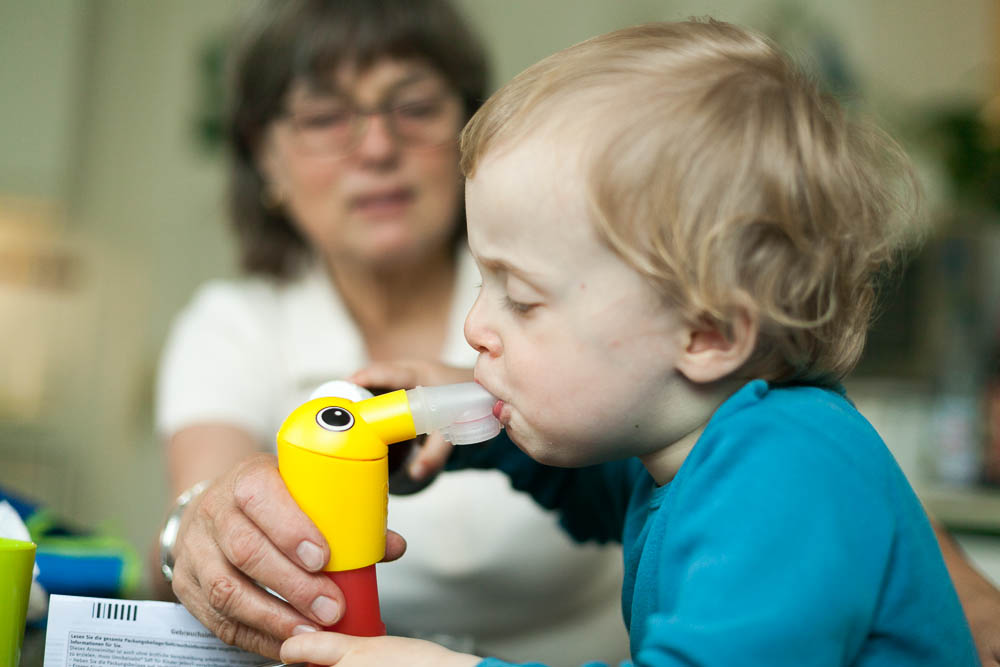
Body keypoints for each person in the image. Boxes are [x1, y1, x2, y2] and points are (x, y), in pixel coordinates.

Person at [278, 19, 981, 666]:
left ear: (708, 332)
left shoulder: (787, 477)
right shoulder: (688, 441)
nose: (474, 328)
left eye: (521, 298)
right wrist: (454, 421)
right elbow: (588, 479)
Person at [153, 0, 628, 664]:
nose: (377, 148)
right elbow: (198, 502)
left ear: (470, 130)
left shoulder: (572, 290)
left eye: (416, 108)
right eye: (324, 118)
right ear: (266, 160)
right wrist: (201, 525)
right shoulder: (233, 325)